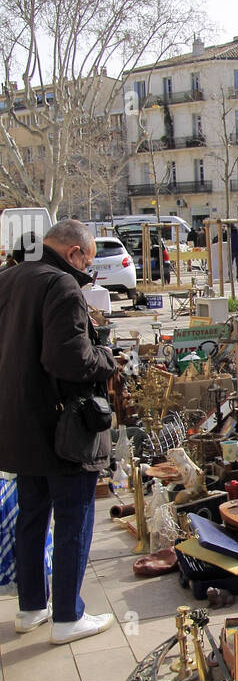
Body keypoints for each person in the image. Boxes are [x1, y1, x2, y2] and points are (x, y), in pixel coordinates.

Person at [0, 219, 115, 644]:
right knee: (73, 517)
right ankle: (68, 615)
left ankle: (31, 607)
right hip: (60, 430)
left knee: (32, 516)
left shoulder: (9, 278)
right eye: (88, 259)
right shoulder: (62, 285)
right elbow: (70, 361)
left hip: (19, 425)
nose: (89, 270)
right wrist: (106, 357)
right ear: (74, 253)